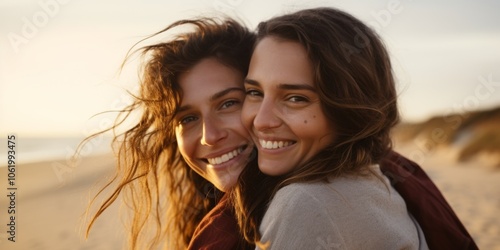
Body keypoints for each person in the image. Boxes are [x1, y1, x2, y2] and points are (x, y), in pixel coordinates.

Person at [232, 7, 478, 249]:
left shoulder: (306, 202)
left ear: (350, 110)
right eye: (254, 92)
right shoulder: (372, 179)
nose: (261, 120)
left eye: (296, 98)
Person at [82, 18, 256, 249]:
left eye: (228, 104)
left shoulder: (299, 208)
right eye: (188, 118)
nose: (209, 136)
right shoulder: (219, 223)